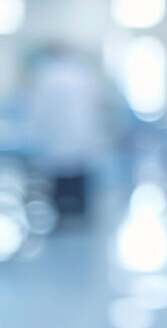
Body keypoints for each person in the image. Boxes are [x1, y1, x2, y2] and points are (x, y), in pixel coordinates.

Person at [27, 45, 108, 221]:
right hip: (82, 138)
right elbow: (97, 107)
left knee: (60, 184)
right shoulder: (83, 74)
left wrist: (34, 133)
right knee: (78, 181)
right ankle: (79, 216)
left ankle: (62, 217)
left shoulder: (47, 75)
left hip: (57, 139)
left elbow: (39, 111)